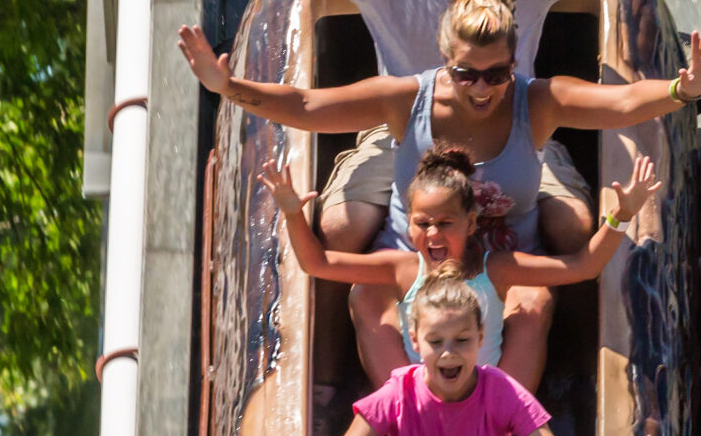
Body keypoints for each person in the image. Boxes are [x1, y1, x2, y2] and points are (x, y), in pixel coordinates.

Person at [177, 0, 701, 391]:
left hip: (499, 258)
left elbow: (621, 104)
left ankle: (509, 420)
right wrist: (229, 88)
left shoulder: (536, 101)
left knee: (536, 299)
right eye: (467, 75)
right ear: (445, 62)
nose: (482, 89)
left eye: (497, 74)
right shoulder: (406, 99)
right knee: (365, 296)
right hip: (422, 260)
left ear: (514, 63)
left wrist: (685, 89)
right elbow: (308, 105)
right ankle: (402, 409)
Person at [257, 143, 662, 383]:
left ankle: (517, 432)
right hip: (418, 405)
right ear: (408, 223)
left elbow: (582, 267)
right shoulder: (401, 269)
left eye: (445, 223)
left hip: (486, 407)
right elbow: (317, 263)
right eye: (422, 224)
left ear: (471, 223)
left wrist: (620, 216)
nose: (433, 234)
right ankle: (391, 423)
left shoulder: (497, 269)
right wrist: (293, 213)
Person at [318, 267, 576, 436]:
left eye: (462, 340)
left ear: (481, 336)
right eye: (436, 341)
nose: (449, 353)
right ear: (416, 340)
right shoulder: (398, 393)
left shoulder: (502, 390)